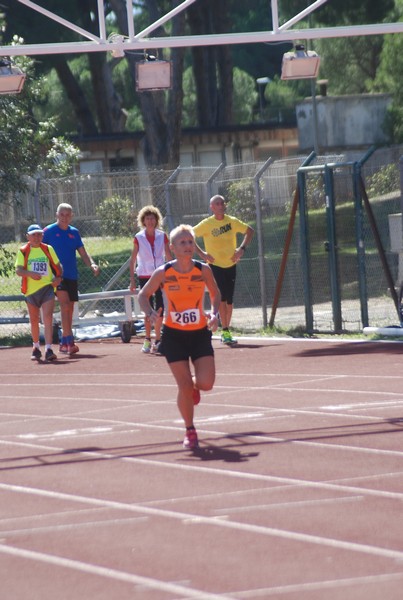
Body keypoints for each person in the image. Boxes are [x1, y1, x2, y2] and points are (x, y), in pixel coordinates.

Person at [138, 224, 221, 450]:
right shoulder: (164, 272)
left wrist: (214, 313)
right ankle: (190, 430)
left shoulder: (203, 270)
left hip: (199, 334)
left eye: (190, 242)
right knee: (183, 386)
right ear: (172, 248)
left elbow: (215, 294)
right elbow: (143, 295)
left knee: (206, 383)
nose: (187, 246)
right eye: (182, 243)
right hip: (173, 335)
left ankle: (193, 387)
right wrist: (150, 312)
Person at [193, 194, 254, 345]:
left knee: (230, 300)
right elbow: (189, 235)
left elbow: (250, 231)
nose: (220, 206)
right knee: (221, 298)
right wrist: (202, 253)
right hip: (215, 266)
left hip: (231, 264)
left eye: (222, 203)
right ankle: (225, 330)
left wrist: (241, 249)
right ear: (211, 207)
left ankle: (226, 327)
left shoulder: (231, 221)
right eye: (217, 204)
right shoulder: (207, 224)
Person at [43, 203, 100, 355]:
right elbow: (39, 250)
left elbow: (83, 252)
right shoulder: (48, 232)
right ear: (56, 215)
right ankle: (69, 340)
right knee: (65, 304)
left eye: (67, 215)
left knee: (70, 308)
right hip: (56, 276)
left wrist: (92, 265)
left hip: (72, 275)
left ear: (72, 216)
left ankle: (63, 342)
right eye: (62, 214)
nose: (64, 218)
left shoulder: (74, 233)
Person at [15, 224, 63, 361]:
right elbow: (18, 270)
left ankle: (48, 349)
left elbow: (59, 267)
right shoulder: (23, 251)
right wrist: (30, 273)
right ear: (28, 236)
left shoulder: (48, 249)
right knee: (34, 320)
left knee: (48, 318)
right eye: (33, 235)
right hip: (30, 291)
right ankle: (36, 346)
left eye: (39, 234)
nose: (36, 237)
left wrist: (58, 278)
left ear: (42, 235)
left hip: (47, 287)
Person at [129, 205, 172, 353]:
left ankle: (158, 339)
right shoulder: (138, 237)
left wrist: (172, 274)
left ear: (156, 220)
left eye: (152, 218)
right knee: (148, 308)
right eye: (147, 218)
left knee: (160, 307)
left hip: (160, 275)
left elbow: (169, 255)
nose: (150, 221)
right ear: (143, 221)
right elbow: (133, 259)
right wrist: (132, 280)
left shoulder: (162, 236)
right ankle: (147, 338)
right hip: (144, 275)